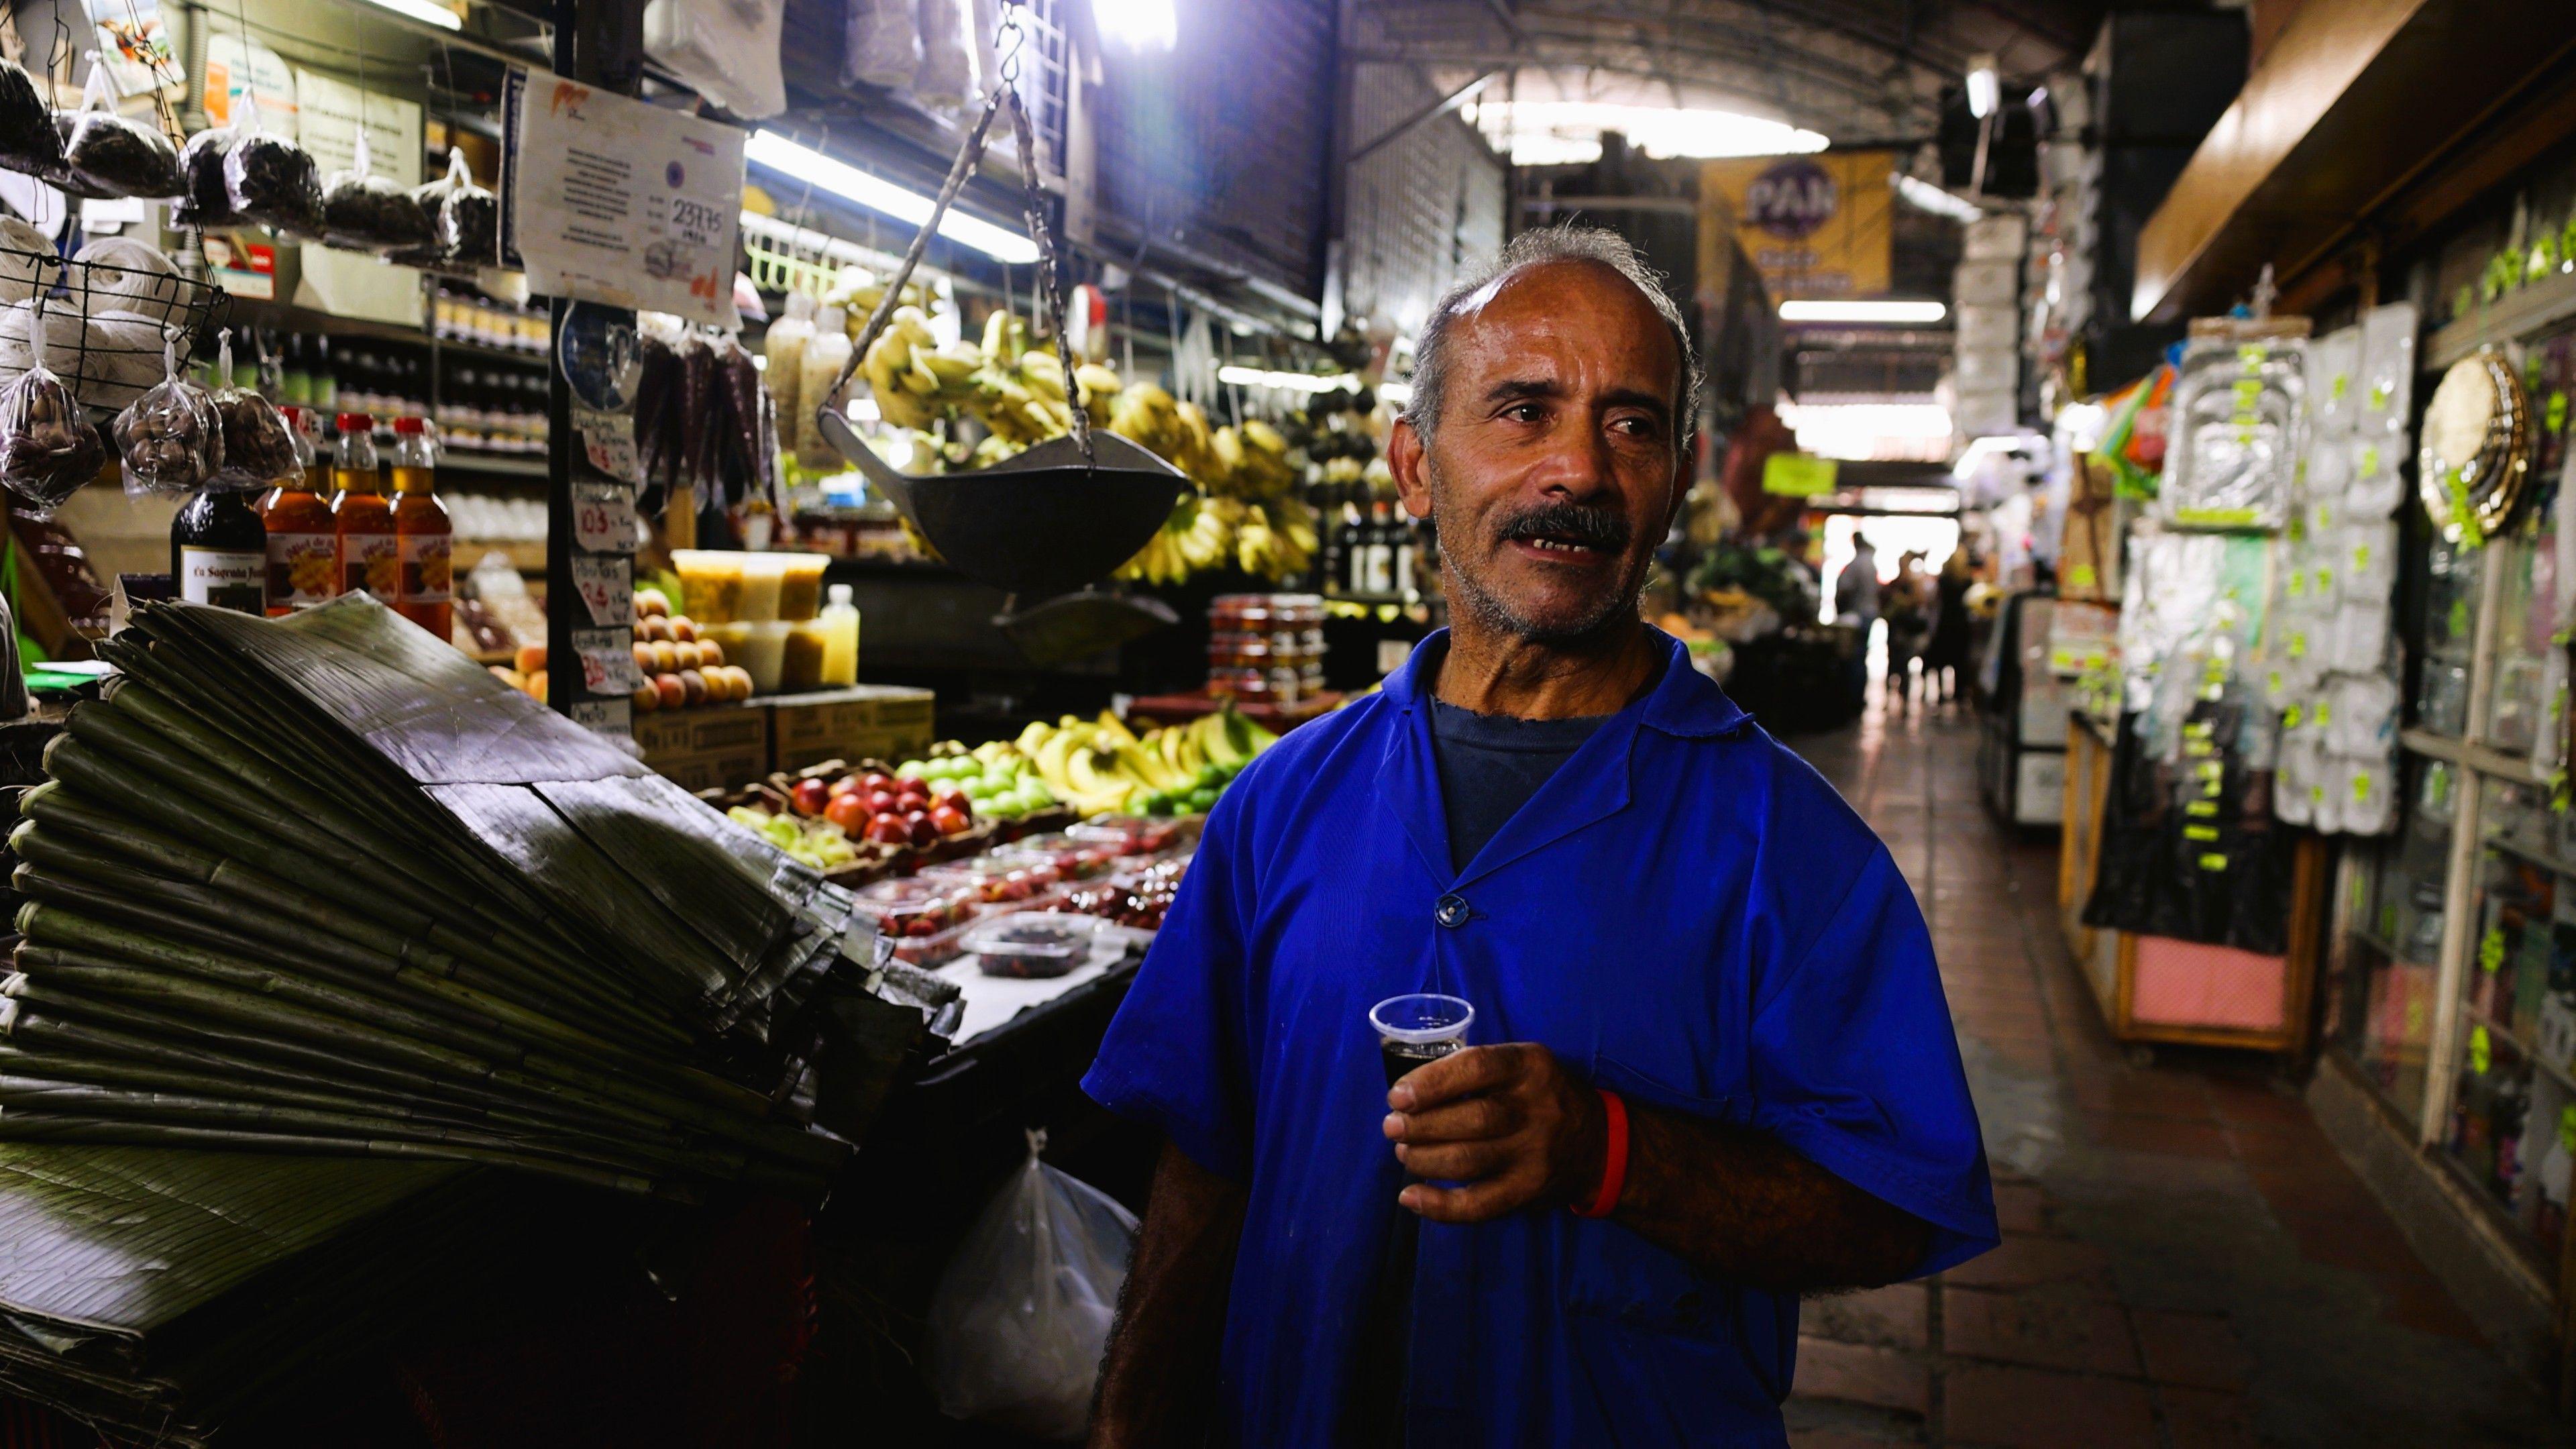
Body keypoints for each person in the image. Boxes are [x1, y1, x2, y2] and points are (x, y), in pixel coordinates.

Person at [1081, 227, 1994, 1448]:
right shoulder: (1280, 804)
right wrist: (1128, 1423)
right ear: (1415, 465)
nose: (1578, 468)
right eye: (1521, 410)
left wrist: (1613, 1152)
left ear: (1671, 482)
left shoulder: (1796, 855)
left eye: (1632, 425)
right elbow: (1206, 1151)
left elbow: (1892, 1208)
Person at [1924, 548, 1974, 704]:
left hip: (1945, 624)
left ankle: (1940, 693)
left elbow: (1934, 603)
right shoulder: (1968, 582)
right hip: (1961, 625)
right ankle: (1958, 695)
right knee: (1959, 661)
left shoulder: (1943, 581)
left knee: (1942, 660)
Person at [1882, 551, 1931, 704]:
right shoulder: (1894, 585)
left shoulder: (1913, 585)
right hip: (1896, 630)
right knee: (1893, 664)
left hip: (1907, 630)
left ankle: (1904, 697)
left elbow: (1921, 602)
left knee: (1904, 665)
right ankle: (1889, 696)